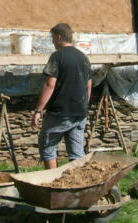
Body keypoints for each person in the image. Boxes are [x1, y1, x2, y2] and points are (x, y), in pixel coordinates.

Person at [31, 23, 92, 169]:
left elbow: (49, 85)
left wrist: (38, 110)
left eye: (53, 38)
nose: (52, 42)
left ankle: (53, 184)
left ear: (59, 37)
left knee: (48, 147)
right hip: (80, 113)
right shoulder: (84, 57)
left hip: (60, 113)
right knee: (77, 153)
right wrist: (82, 107)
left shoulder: (57, 56)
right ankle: (78, 187)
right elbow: (89, 86)